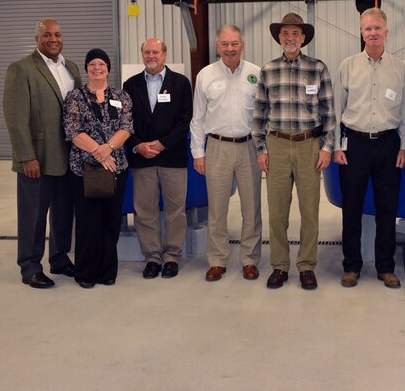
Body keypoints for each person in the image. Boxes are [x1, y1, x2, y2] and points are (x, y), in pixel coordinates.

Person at [252, 13, 335, 290]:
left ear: (303, 38)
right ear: (279, 38)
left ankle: (307, 265)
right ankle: (279, 265)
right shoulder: (268, 70)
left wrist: (326, 147)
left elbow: (329, 113)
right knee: (277, 211)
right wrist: (261, 149)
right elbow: (259, 114)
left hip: (309, 145)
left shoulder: (318, 69)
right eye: (285, 33)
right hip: (276, 145)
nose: (290, 38)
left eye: (295, 34)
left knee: (310, 210)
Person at [333, 8, 405, 289]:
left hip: (388, 145)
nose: (373, 33)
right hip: (354, 144)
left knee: (387, 209)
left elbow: (403, 110)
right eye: (367, 28)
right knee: (351, 208)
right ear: (361, 32)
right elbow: (337, 109)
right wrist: (336, 146)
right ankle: (351, 266)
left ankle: (385, 267)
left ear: (386, 32)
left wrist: (403, 146)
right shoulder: (347, 65)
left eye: (377, 28)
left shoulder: (399, 67)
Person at [3, 18, 81, 289]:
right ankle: (30, 266)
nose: (53, 39)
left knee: (62, 213)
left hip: (68, 157)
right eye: (47, 35)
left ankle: (59, 259)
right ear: (37, 38)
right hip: (37, 157)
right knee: (33, 215)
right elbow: (15, 117)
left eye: (57, 34)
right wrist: (26, 156)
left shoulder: (71, 68)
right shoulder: (21, 69)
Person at [190, 25, 263, 282]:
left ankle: (250, 260)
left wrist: (264, 149)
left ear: (242, 44)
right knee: (217, 209)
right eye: (224, 44)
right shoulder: (205, 75)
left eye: (234, 43)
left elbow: (264, 117)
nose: (230, 48)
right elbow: (197, 117)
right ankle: (218, 260)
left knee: (251, 207)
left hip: (249, 147)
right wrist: (198, 153)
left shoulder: (256, 73)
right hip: (217, 147)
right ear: (217, 46)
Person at [123, 38, 192, 280]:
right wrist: (138, 145)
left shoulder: (181, 83)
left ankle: (172, 256)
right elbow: (125, 122)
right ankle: (152, 257)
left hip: (172, 157)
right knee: (145, 211)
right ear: (142, 55)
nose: (151, 56)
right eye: (147, 52)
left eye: (156, 52)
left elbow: (185, 120)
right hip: (142, 158)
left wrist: (163, 144)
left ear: (164, 55)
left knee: (175, 210)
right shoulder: (130, 85)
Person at [63, 49, 133, 288]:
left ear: (108, 69)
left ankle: (107, 271)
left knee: (111, 220)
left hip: (116, 168)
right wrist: (99, 151)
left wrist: (109, 147)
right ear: (86, 69)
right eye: (92, 64)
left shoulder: (121, 96)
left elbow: (126, 127)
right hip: (84, 169)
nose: (97, 67)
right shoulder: (75, 97)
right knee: (87, 222)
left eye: (101, 63)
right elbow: (72, 131)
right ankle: (85, 272)